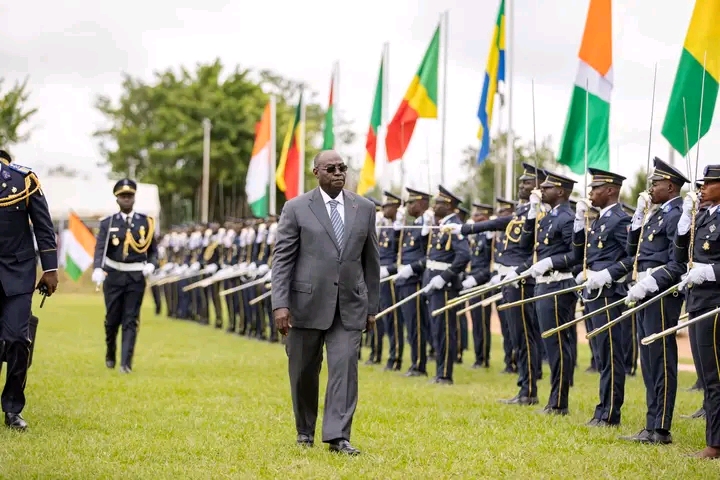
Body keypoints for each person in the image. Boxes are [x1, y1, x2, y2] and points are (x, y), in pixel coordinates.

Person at [271, 150, 380, 455]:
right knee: (304, 371)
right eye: (330, 168)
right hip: (305, 306)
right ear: (316, 172)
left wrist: (372, 307)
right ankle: (304, 429)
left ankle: (337, 436)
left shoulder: (365, 208)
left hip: (350, 305)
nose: (338, 173)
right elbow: (282, 260)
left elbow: (371, 261)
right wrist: (280, 304)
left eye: (342, 168)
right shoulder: (296, 208)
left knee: (345, 368)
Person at [620, 157, 687, 444]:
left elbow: (678, 263)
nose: (650, 188)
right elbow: (631, 250)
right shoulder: (657, 214)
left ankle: (661, 428)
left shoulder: (678, 215)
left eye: (655, 183)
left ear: (670, 186)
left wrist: (650, 282)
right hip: (645, 290)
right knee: (648, 359)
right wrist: (638, 216)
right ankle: (650, 424)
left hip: (661, 292)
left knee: (661, 359)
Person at [0, 149, 58, 430]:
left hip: (18, 274)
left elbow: (44, 227)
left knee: (17, 340)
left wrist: (50, 269)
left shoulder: (23, 180)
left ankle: (12, 409)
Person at [572, 168, 632, 427]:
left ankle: (609, 413)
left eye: (595, 188)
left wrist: (607, 274)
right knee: (600, 354)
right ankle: (602, 408)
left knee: (610, 355)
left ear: (610, 190)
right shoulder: (598, 220)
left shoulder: (620, 219)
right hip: (594, 292)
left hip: (609, 293)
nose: (590, 193)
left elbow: (633, 256)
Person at [673, 165, 720, 458]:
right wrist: (682, 222)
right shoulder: (703, 215)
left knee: (714, 377)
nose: (702, 188)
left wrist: (710, 272)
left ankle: (715, 445)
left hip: (714, 304)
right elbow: (681, 254)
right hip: (697, 302)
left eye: (710, 183)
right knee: (706, 375)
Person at [92, 179, 158, 373]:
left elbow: (154, 250)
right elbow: (100, 248)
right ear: (117, 199)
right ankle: (110, 351)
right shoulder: (108, 222)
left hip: (135, 276)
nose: (126, 199)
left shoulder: (146, 222)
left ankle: (125, 363)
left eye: (129, 196)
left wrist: (152, 264)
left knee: (131, 319)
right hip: (113, 276)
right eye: (123, 196)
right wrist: (98, 268)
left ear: (134, 198)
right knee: (112, 319)